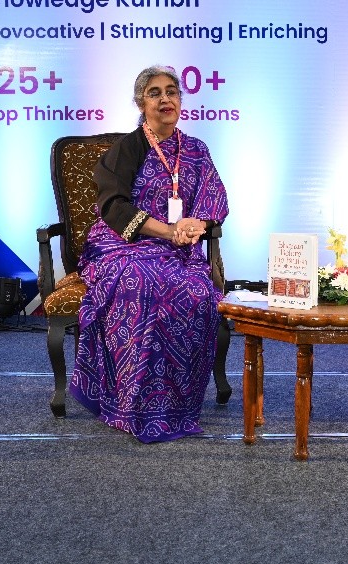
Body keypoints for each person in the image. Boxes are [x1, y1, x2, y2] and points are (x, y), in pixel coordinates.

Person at [69, 65, 229, 443]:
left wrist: (195, 226)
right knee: (141, 281)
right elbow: (114, 208)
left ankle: (177, 402)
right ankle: (131, 400)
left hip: (178, 247)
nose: (164, 99)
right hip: (121, 244)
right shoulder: (127, 148)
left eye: (171, 91)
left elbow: (214, 200)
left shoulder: (196, 150)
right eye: (154, 93)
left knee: (196, 291)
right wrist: (168, 230)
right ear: (141, 103)